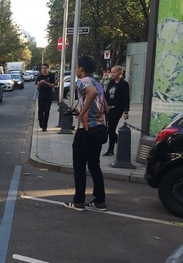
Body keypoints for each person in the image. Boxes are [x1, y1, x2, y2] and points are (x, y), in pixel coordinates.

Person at [64, 55, 107, 212]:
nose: (76, 70)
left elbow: (92, 93)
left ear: (81, 68)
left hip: (86, 130)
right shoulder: (98, 82)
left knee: (79, 166)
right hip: (100, 129)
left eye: (76, 67)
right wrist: (80, 110)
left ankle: (78, 201)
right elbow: (104, 106)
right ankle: (99, 201)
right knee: (95, 165)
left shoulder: (82, 81)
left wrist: (82, 114)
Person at [103, 65, 130, 156]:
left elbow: (126, 98)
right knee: (109, 129)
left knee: (111, 128)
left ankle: (112, 149)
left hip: (117, 109)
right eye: (111, 72)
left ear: (119, 73)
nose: (112, 74)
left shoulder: (124, 84)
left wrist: (126, 111)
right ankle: (121, 145)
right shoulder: (111, 82)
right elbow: (106, 95)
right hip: (108, 109)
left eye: (114, 72)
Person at [35, 63, 56, 131]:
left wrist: (45, 82)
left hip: (48, 96)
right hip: (41, 96)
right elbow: (38, 88)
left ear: (48, 69)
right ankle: (41, 122)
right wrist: (39, 85)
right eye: (42, 68)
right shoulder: (39, 77)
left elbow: (53, 85)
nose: (44, 70)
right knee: (40, 111)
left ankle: (45, 126)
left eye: (45, 68)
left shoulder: (51, 76)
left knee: (46, 111)